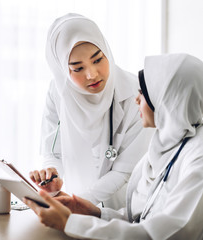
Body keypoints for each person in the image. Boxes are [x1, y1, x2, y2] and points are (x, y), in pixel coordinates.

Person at [24, 53, 203, 239]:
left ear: (167, 101)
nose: (136, 100)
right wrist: (95, 212)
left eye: (142, 93)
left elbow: (166, 234)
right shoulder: (165, 147)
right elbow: (142, 219)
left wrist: (70, 223)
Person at [29, 13, 152, 209]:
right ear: (62, 69)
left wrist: (77, 203)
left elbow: (124, 171)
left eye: (97, 60)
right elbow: (53, 151)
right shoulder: (58, 92)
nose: (92, 75)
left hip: (125, 211)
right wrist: (52, 177)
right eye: (77, 68)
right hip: (77, 208)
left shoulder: (136, 95)